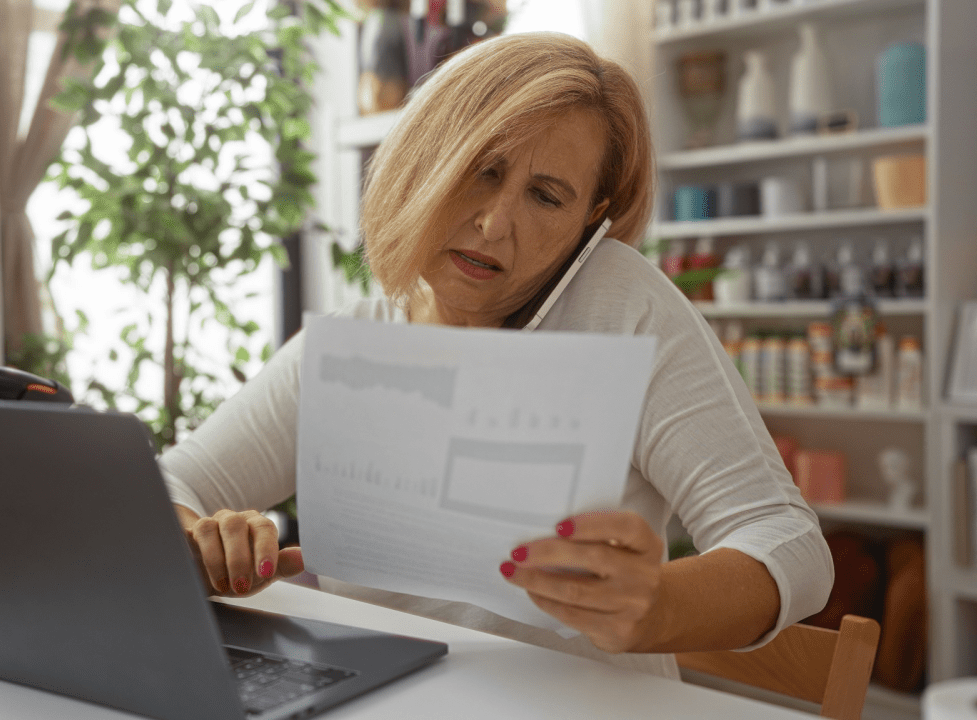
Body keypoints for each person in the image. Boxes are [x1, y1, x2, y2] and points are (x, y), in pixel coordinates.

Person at [161, 32, 834, 680]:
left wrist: (659, 606)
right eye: (481, 172)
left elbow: (788, 542)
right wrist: (205, 543)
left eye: (546, 197)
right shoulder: (356, 341)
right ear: (425, 161)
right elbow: (168, 485)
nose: (495, 223)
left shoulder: (622, 308)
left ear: (590, 219)